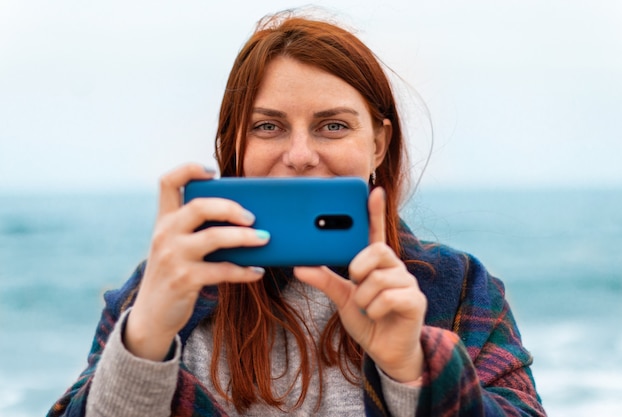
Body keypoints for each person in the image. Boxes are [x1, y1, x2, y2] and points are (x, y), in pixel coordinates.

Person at [48, 9, 546, 417]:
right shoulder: (160, 290)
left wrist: (412, 369)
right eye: (268, 126)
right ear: (234, 145)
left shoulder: (458, 287)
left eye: (332, 126)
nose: (301, 154)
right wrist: (145, 338)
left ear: (378, 144)